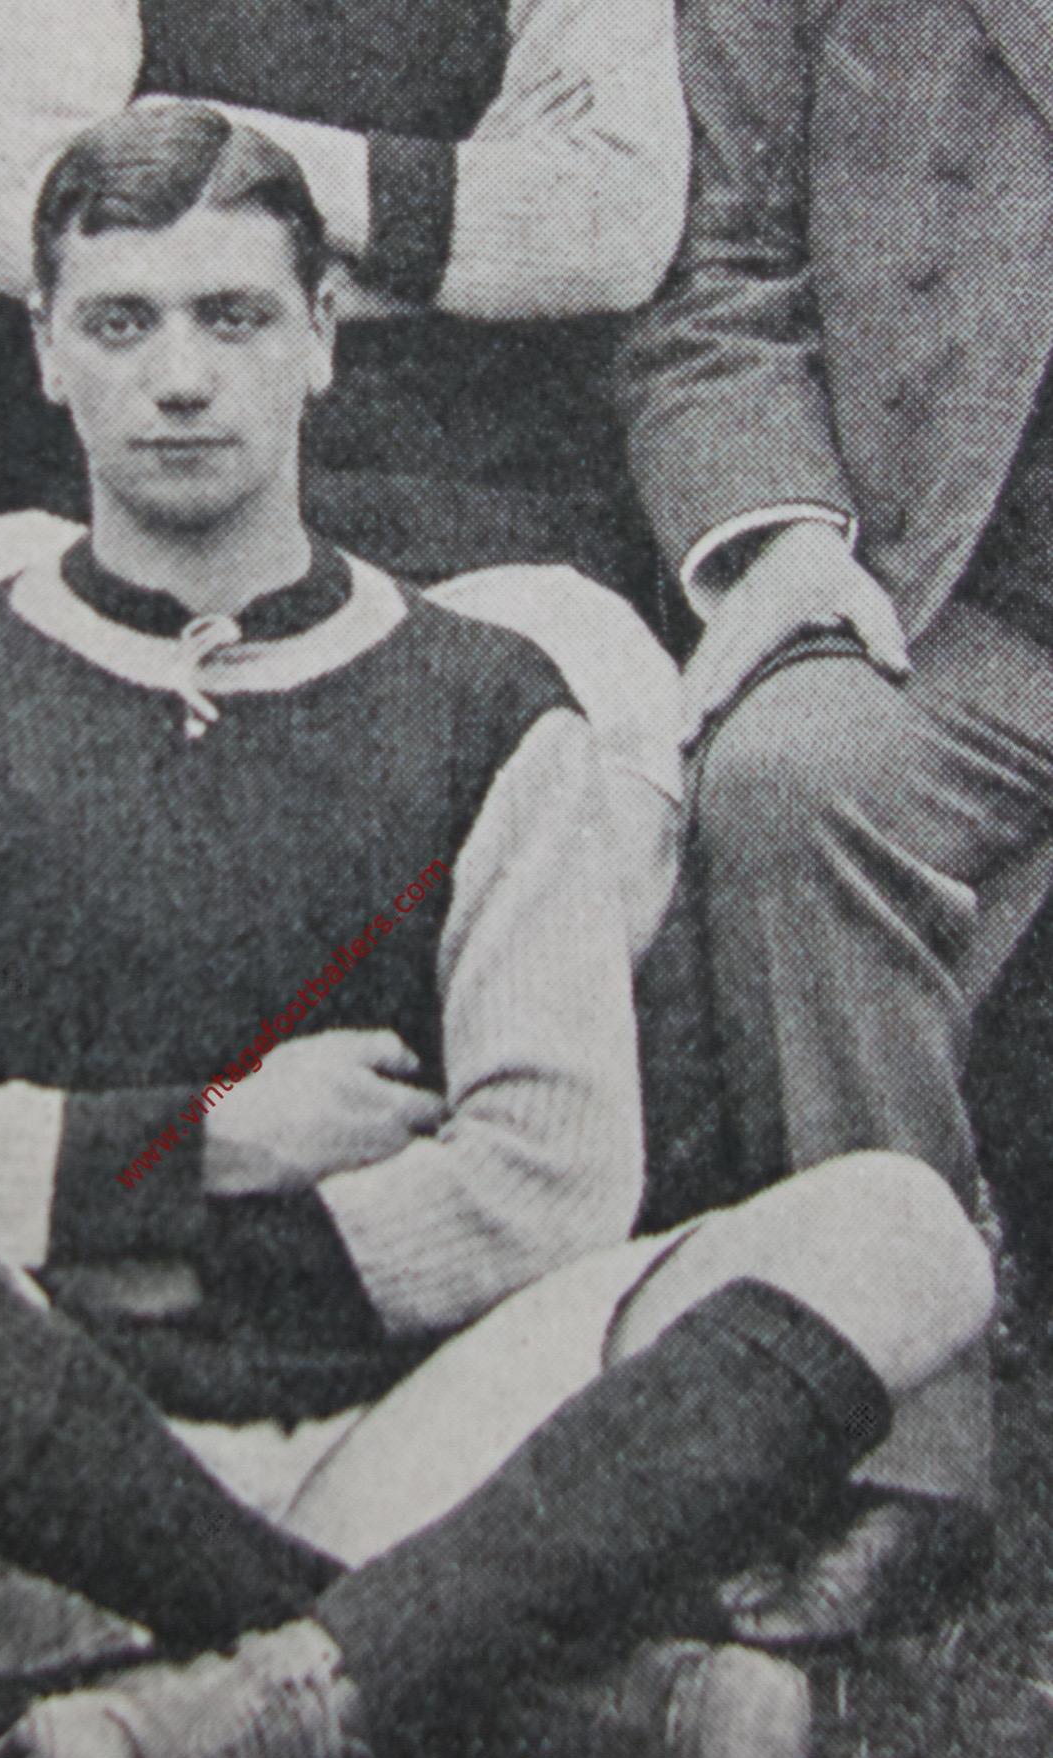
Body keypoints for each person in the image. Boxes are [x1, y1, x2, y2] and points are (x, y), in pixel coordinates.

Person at [0, 107, 994, 1758]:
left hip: (401, 1437)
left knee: (904, 1232)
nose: (180, 377)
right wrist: (204, 1144)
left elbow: (549, 1180)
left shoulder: (487, 701)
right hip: (21, 1457)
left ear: (320, 336)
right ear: (45, 352)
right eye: (122, 321)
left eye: (233, 316)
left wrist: (187, 1252)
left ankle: (262, 1692)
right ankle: (492, 1688)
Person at [618, 0, 1053, 1642]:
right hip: (963, 606)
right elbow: (715, 270)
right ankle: (906, 1446)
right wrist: (785, 538)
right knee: (795, 775)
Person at [0, 0, 693, 940]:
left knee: (589, 767)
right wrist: (454, 212)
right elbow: (22, 217)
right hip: (137, 524)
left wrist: (194, 146)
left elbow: (612, 225)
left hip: (479, 530)